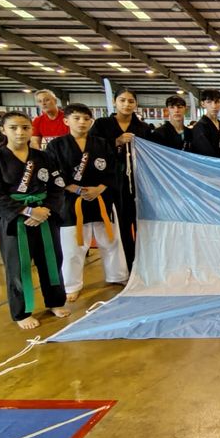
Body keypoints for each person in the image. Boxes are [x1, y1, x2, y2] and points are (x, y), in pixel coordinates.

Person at [0, 111, 69, 329]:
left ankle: (55, 301)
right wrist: (26, 211)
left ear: (32, 129)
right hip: (16, 220)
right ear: (3, 130)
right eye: (13, 128)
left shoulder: (44, 157)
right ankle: (22, 312)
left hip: (44, 215)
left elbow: (57, 186)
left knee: (51, 261)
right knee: (18, 267)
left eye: (24, 127)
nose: (20, 132)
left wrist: (45, 210)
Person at [46, 104, 128, 302]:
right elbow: (53, 172)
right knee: (73, 246)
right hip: (71, 201)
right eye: (77, 118)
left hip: (101, 198)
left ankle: (117, 275)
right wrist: (76, 189)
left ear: (91, 121)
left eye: (86, 118)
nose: (82, 122)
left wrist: (100, 188)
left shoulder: (101, 143)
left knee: (111, 240)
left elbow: (114, 168)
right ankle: (72, 285)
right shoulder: (56, 146)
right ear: (66, 121)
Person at [88, 88, 151, 272]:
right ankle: (125, 265)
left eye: (131, 101)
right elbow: (92, 148)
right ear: (115, 102)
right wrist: (116, 141)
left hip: (138, 182)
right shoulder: (102, 124)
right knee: (120, 224)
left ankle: (142, 263)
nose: (126, 104)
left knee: (140, 222)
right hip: (112, 182)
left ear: (136, 104)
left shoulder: (143, 128)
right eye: (122, 100)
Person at [191, 89, 220, 158]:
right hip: (208, 165)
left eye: (217, 102)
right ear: (203, 104)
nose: (214, 106)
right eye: (209, 102)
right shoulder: (200, 126)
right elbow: (206, 152)